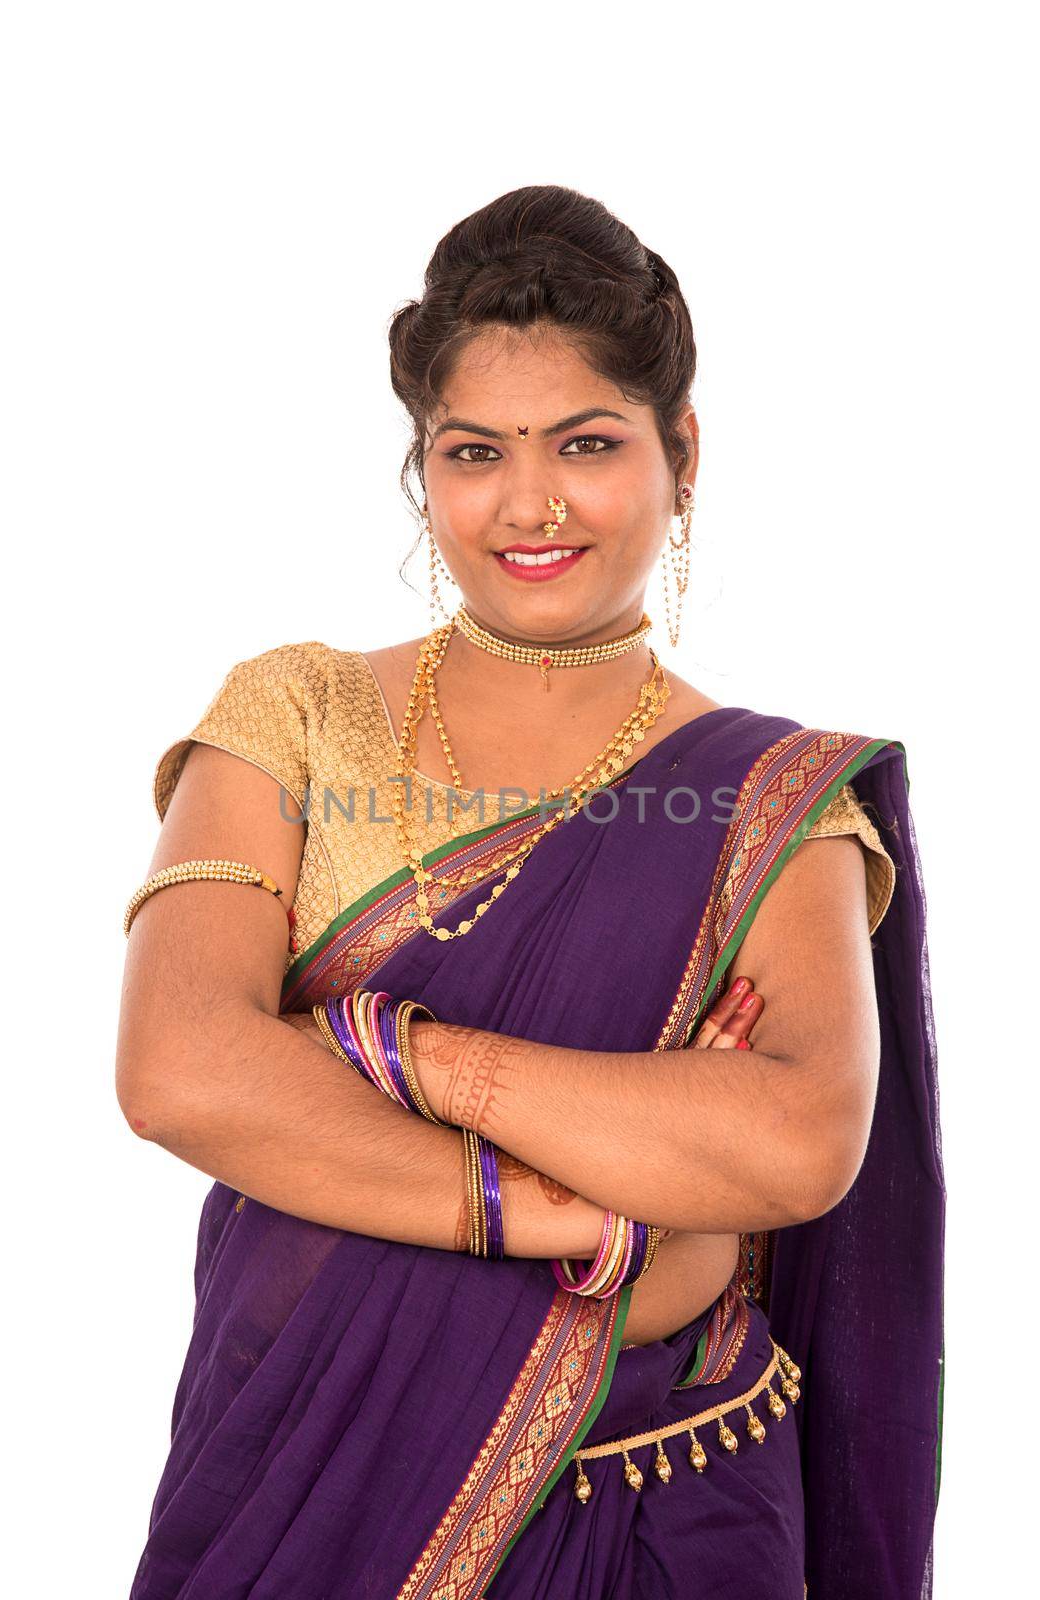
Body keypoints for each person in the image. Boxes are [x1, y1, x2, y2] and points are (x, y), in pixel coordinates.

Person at [117, 185, 944, 1600]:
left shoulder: (767, 800)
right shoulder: (297, 715)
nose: (530, 503)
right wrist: (577, 1203)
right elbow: (180, 1067)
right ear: (421, 470)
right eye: (475, 451)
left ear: (682, 455)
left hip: (662, 1515)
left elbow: (797, 1140)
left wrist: (388, 1053)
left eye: (588, 444)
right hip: (300, 1476)